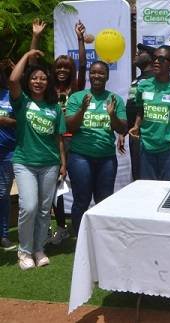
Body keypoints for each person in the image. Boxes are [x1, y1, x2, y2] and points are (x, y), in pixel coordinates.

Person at [31, 19, 88, 245]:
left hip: (76, 143)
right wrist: (36, 36)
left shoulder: (76, 88)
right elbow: (32, 64)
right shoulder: (47, 90)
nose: (63, 70)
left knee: (75, 185)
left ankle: (74, 227)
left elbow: (83, 65)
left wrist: (80, 39)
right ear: (53, 71)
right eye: (59, 68)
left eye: (66, 67)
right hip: (54, 143)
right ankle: (58, 227)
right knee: (56, 185)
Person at [8, 50, 66, 270]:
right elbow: (13, 79)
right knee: (29, 207)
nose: (38, 81)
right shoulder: (21, 101)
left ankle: (38, 248)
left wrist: (63, 163)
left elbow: (58, 138)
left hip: (50, 164)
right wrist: (28, 53)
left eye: (42, 78)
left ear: (48, 82)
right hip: (24, 162)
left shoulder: (54, 107)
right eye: (34, 78)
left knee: (44, 210)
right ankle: (24, 251)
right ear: (29, 81)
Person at [66, 61, 127, 236]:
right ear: (89, 75)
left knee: (104, 200)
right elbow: (70, 127)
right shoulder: (77, 98)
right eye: (93, 73)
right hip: (80, 156)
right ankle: (79, 236)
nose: (96, 76)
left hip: (106, 158)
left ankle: (102, 237)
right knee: (82, 199)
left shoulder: (115, 99)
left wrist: (112, 115)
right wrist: (82, 111)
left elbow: (122, 128)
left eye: (101, 73)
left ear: (107, 76)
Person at [129, 45, 170, 180]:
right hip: (146, 147)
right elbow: (140, 109)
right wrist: (136, 125)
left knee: (167, 190)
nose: (156, 62)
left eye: (161, 59)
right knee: (148, 191)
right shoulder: (143, 86)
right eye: (154, 58)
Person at [118, 43, 156, 180]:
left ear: (152, 58)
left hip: (148, 136)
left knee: (148, 178)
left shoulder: (155, 80)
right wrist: (123, 131)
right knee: (138, 175)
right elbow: (132, 108)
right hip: (134, 134)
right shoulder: (137, 80)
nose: (136, 54)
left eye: (141, 52)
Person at [0, 60, 17, 250]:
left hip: (7, 153)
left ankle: (4, 235)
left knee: (3, 194)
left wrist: (7, 121)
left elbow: (21, 120)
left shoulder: (9, 96)